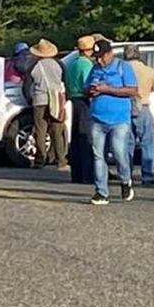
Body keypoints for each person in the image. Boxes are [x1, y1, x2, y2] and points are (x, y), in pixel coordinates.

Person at [85, 39, 137, 206]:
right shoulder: (95, 69)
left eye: (102, 57)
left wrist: (108, 89)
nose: (99, 61)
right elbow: (85, 88)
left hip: (119, 118)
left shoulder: (123, 67)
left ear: (110, 54)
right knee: (98, 156)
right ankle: (101, 192)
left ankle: (125, 180)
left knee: (118, 152)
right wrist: (91, 90)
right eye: (96, 57)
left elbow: (132, 90)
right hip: (97, 118)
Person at [24, 39, 67, 170]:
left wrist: (30, 99)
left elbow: (27, 86)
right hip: (56, 100)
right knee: (57, 131)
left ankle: (40, 160)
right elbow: (65, 82)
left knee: (40, 131)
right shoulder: (59, 64)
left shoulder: (34, 66)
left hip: (39, 100)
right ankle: (61, 160)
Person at [124, 45, 154, 185]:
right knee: (148, 143)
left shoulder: (122, 69)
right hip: (143, 106)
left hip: (125, 107)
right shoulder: (149, 70)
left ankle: (127, 175)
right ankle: (147, 175)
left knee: (127, 144)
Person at [64, 36, 96, 184]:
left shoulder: (72, 64)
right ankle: (87, 174)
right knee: (86, 138)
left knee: (75, 139)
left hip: (73, 101)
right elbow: (88, 85)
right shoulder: (86, 65)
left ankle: (76, 173)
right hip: (83, 101)